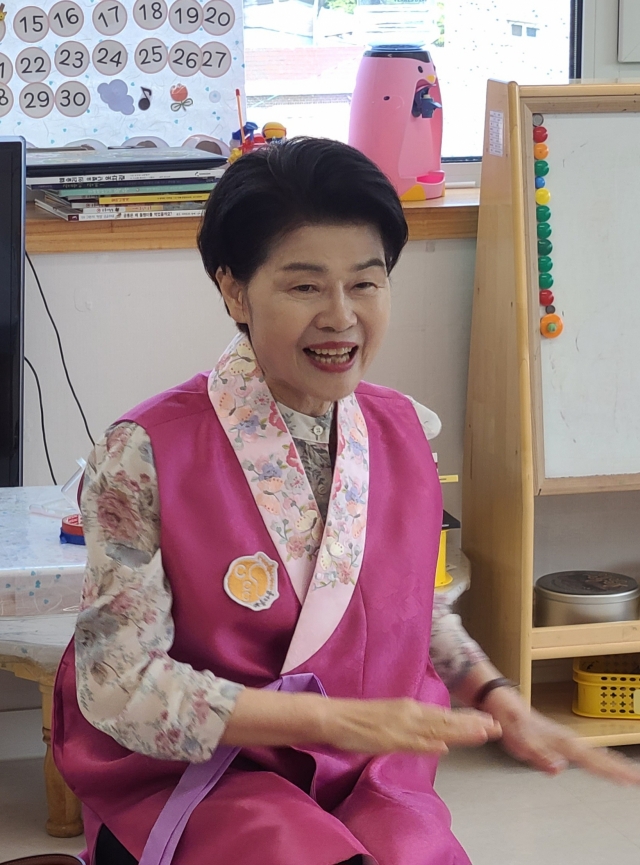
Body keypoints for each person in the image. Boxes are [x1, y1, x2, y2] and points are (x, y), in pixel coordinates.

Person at [53, 138, 640, 865]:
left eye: (366, 283)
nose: (341, 316)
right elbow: (118, 685)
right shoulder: (143, 452)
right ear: (234, 289)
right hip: (208, 776)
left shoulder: (405, 430)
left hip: (364, 772)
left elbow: (411, 614)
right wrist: (331, 719)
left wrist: (497, 696)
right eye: (305, 286)